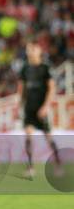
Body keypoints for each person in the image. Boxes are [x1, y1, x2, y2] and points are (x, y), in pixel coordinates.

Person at [17, 40, 62, 178]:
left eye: (32, 49)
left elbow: (52, 88)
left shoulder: (45, 68)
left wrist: (46, 106)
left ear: (39, 51)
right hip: (29, 108)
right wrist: (19, 105)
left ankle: (58, 165)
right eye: (28, 49)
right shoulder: (25, 68)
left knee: (48, 138)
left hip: (41, 109)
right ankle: (30, 168)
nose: (29, 52)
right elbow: (21, 88)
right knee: (28, 136)